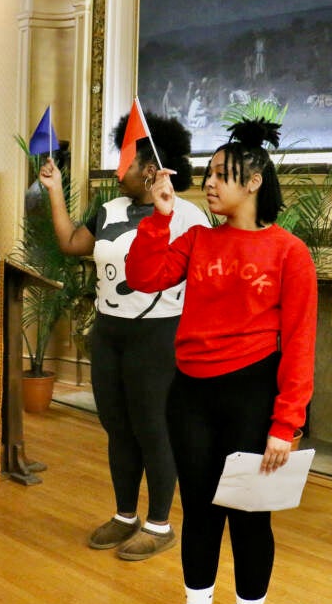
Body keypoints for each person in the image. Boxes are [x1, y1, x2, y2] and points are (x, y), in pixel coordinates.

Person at [125, 118, 317, 604]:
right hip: (189, 393)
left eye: (220, 174)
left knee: (250, 516)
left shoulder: (290, 253)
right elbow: (143, 277)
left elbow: (299, 344)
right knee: (200, 511)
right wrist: (161, 215)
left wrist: (285, 423)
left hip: (251, 396)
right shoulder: (197, 240)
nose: (208, 183)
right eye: (207, 174)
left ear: (252, 182)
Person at [38, 113, 209, 561]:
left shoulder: (189, 215)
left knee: (154, 428)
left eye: (127, 162)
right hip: (109, 330)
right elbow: (73, 244)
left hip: (159, 334)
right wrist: (55, 190)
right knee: (117, 427)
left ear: (151, 169)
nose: (119, 171)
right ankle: (125, 515)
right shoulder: (109, 210)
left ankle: (160, 523)